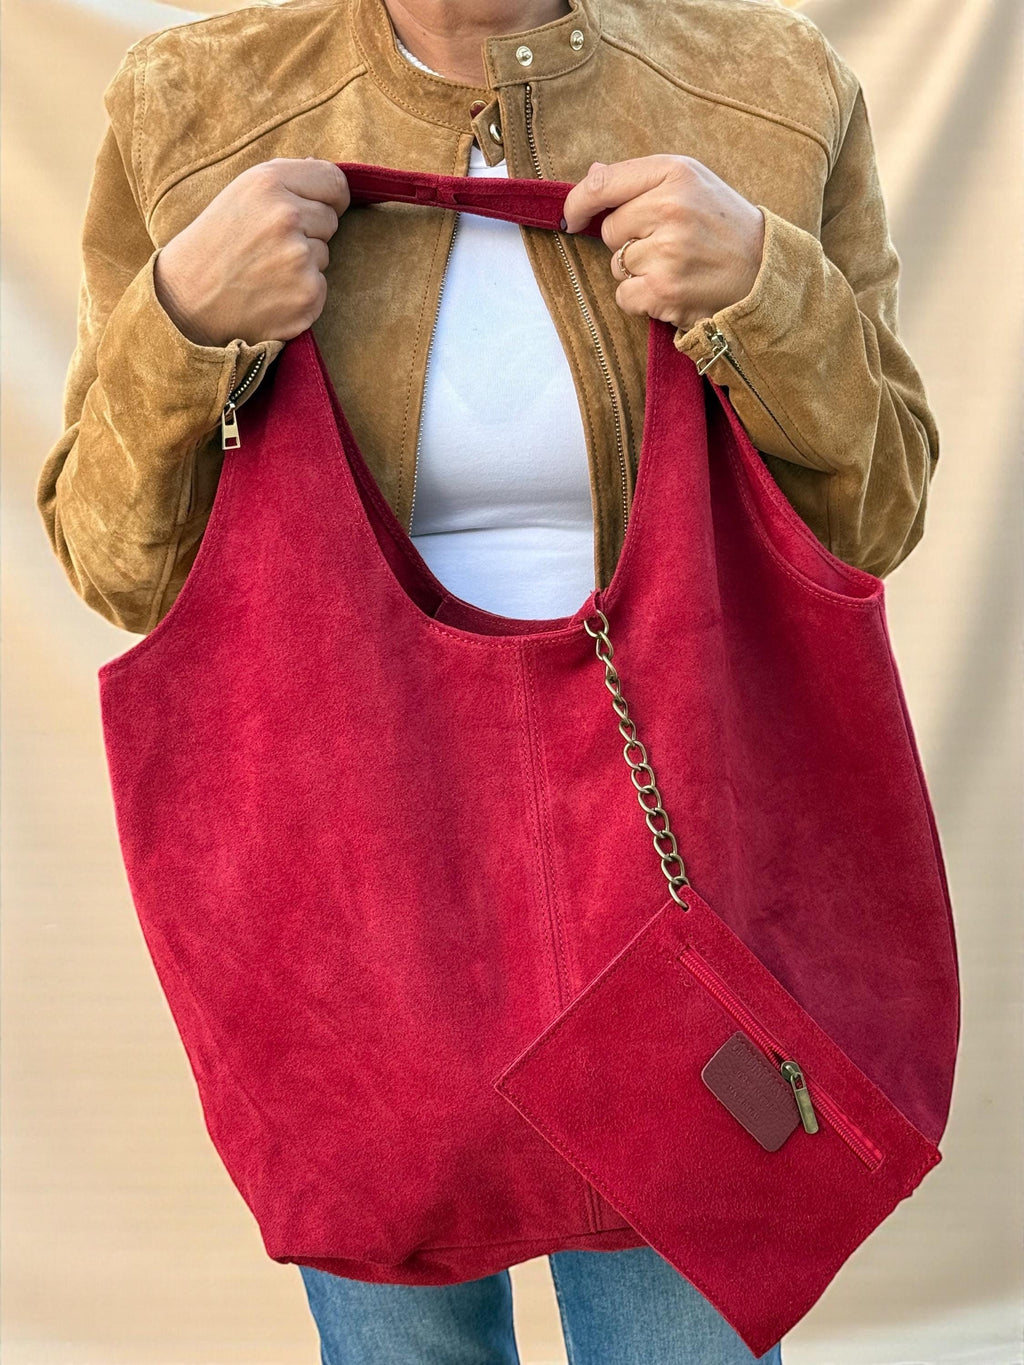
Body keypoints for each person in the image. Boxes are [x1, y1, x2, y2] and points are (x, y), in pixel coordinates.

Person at [36, 0, 940, 1360]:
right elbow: (115, 563)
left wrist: (765, 284)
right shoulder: (196, 105)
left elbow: (877, 509)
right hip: (350, 892)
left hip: (680, 863)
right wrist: (182, 323)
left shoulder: (765, 87)